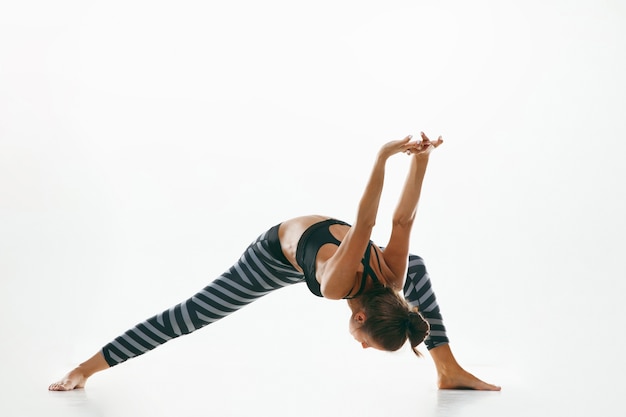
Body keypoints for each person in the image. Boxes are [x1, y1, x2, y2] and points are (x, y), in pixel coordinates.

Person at [49, 132, 501, 392]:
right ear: (361, 316)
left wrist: (422, 162)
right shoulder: (337, 286)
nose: (359, 344)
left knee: (415, 263)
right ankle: (83, 370)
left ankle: (447, 370)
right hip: (271, 257)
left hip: (315, 248)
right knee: (191, 316)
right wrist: (384, 157)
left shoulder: (394, 277)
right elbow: (366, 222)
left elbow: (403, 219)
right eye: (366, 340)